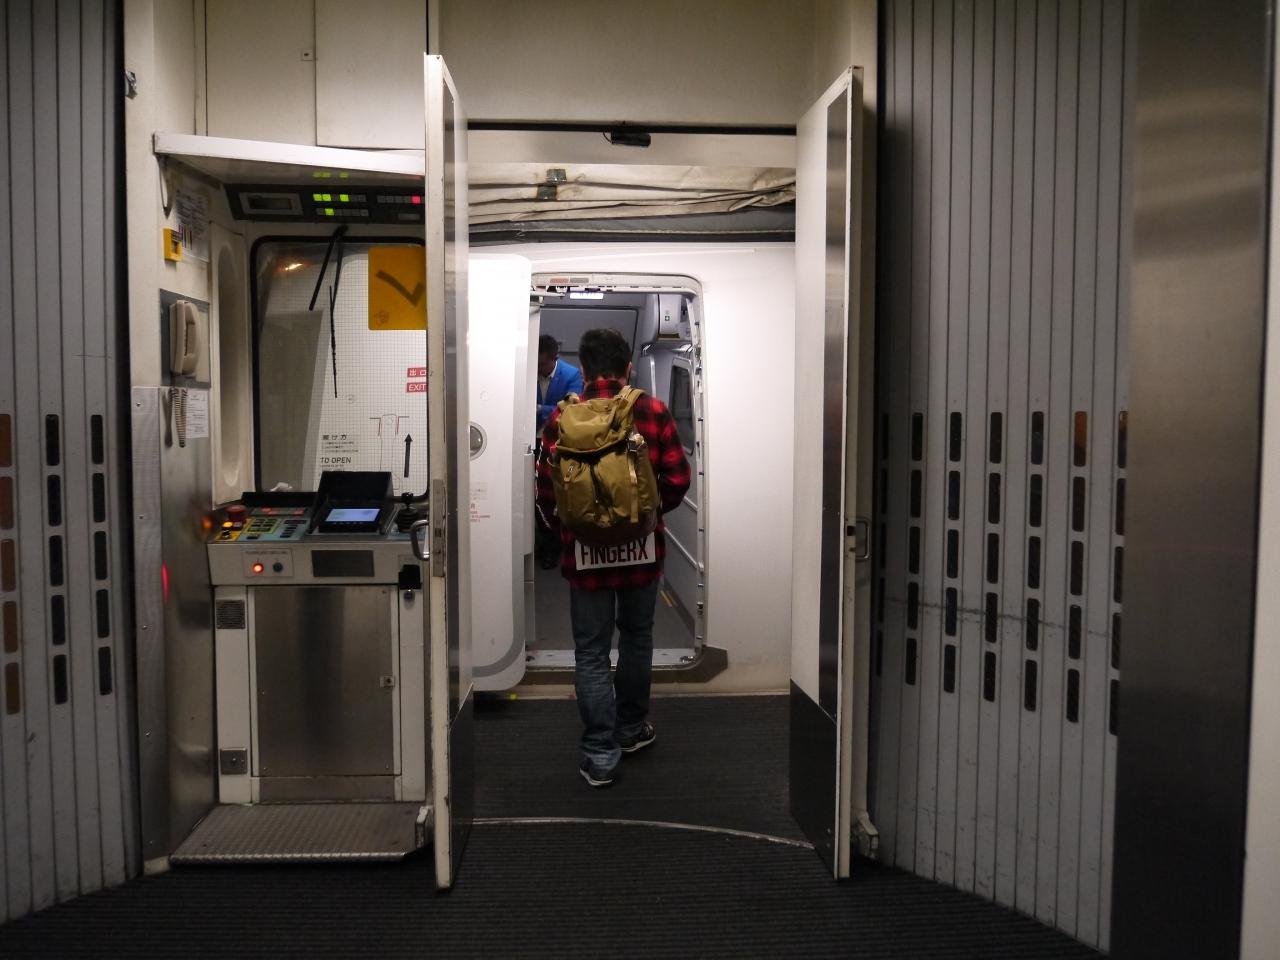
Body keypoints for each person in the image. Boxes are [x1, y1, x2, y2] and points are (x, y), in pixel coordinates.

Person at [535, 328, 691, 788]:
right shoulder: (652, 411)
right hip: (642, 554)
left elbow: (545, 493)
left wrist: (574, 533)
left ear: (582, 370)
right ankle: (630, 730)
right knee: (637, 639)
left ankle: (600, 754)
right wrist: (644, 518)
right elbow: (678, 479)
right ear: (627, 368)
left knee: (591, 652)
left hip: (584, 558)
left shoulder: (560, 418)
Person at [535, 334, 584, 431]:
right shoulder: (529, 373)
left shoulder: (572, 375)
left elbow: (571, 409)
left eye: (542, 364)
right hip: (530, 434)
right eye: (535, 363)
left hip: (559, 434)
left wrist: (540, 409)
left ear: (555, 358)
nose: (537, 368)